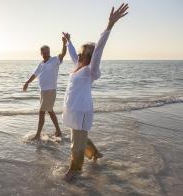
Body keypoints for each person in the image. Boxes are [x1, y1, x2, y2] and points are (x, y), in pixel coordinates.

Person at [62, 3, 129, 180]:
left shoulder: (90, 70)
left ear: (90, 57)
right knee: (79, 138)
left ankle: (75, 170)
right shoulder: (77, 66)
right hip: (73, 110)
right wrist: (68, 41)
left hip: (82, 111)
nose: (80, 55)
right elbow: (72, 54)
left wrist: (109, 25)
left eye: (85, 54)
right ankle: (96, 154)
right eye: (81, 53)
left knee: (76, 143)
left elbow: (99, 49)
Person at [23, 37, 67, 140]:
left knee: (42, 112)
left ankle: (38, 134)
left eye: (46, 52)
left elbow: (63, 53)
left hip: (50, 90)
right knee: (50, 111)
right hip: (43, 92)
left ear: (49, 52)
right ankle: (58, 131)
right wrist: (27, 83)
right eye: (43, 52)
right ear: (41, 53)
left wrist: (64, 43)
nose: (45, 53)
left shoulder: (55, 60)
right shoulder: (41, 64)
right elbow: (35, 74)